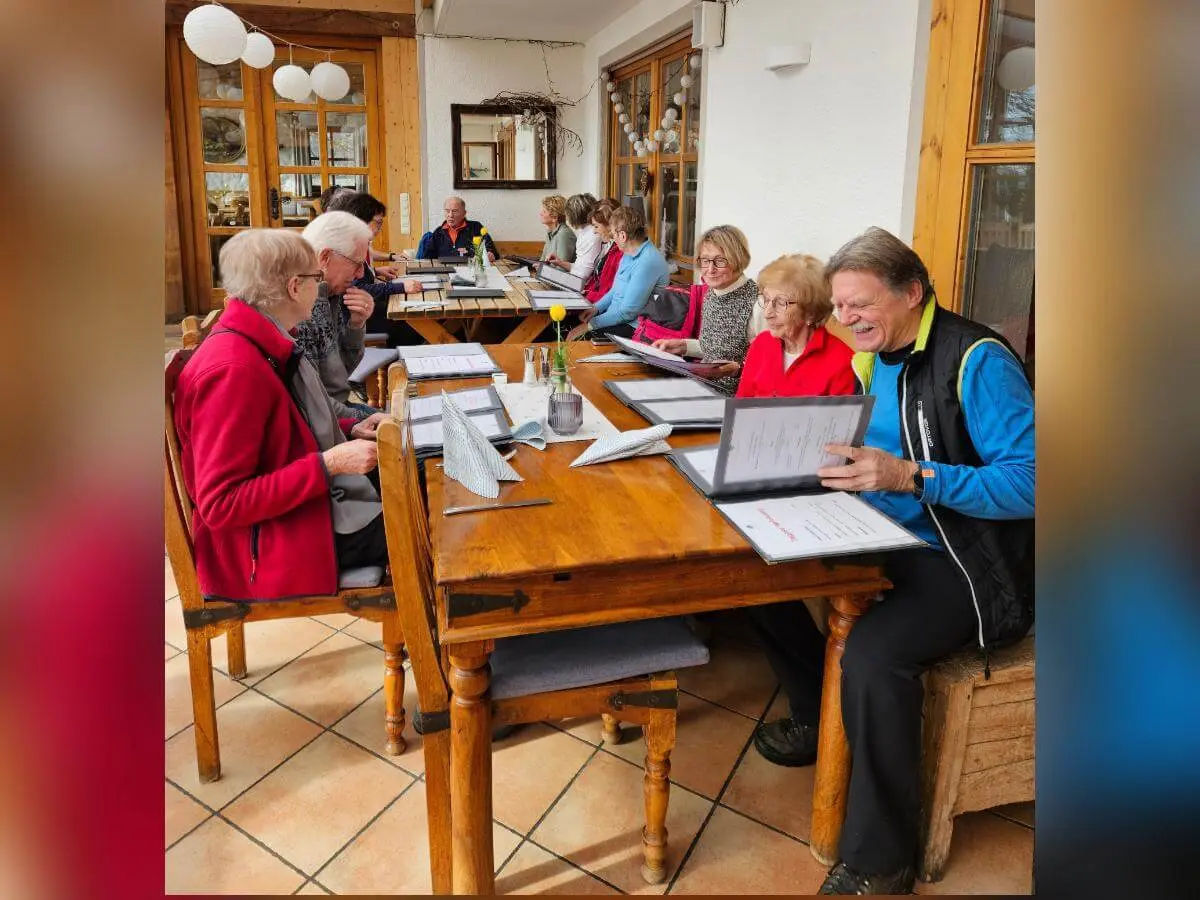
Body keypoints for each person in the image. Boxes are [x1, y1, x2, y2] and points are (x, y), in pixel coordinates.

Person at [747, 227, 1035, 896]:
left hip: (966, 560)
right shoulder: (870, 361)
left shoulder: (977, 360)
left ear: (912, 293)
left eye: (861, 304)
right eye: (840, 306)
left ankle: (882, 860)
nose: (847, 318)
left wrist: (913, 476)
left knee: (875, 655)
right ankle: (815, 717)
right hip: (881, 532)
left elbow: (1033, 481)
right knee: (759, 574)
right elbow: (867, 455)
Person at [173, 229, 391, 601]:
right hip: (269, 548)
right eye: (316, 278)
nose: (319, 288)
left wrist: (351, 426)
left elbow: (283, 427)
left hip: (299, 515)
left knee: (419, 478)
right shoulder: (233, 371)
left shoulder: (257, 337)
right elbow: (222, 504)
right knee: (425, 521)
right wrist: (329, 464)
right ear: (294, 287)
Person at [651, 225, 763, 394]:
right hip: (703, 387)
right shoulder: (712, 293)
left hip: (732, 397)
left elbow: (769, 367)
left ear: (738, 259)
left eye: (720, 261)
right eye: (705, 260)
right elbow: (715, 347)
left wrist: (738, 370)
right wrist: (682, 346)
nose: (710, 270)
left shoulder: (758, 303)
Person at [733, 253, 856, 398]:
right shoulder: (762, 344)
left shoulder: (842, 362)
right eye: (766, 300)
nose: (767, 313)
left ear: (811, 313)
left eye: (781, 303)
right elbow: (741, 404)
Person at [295, 212, 374, 412]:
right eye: (357, 263)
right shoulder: (299, 310)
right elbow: (311, 405)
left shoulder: (329, 294)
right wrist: (360, 419)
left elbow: (341, 373)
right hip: (328, 420)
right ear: (325, 257)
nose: (361, 274)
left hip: (337, 411)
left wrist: (356, 325)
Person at [323, 191, 423, 339]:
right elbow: (357, 288)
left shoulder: (353, 242)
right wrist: (401, 287)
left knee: (413, 315)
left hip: (359, 310)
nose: (380, 229)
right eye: (378, 223)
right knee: (413, 323)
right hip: (353, 318)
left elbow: (358, 279)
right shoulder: (346, 246)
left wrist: (376, 272)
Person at [569, 204, 668, 338]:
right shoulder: (629, 252)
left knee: (574, 337)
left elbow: (628, 312)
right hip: (615, 319)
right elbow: (615, 290)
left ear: (622, 235)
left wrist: (591, 324)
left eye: (613, 233)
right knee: (567, 324)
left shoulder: (647, 261)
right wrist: (595, 308)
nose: (613, 237)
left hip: (633, 328)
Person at [421, 195, 497, 260]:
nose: (450, 215)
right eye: (447, 211)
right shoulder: (438, 232)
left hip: (470, 270)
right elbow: (427, 258)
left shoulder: (476, 227)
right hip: (446, 271)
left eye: (454, 211)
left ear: (464, 213)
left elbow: (491, 250)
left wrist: (490, 254)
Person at [546, 194, 600, 281]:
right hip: (576, 280)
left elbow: (582, 275)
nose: (567, 218)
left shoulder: (592, 234)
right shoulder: (584, 232)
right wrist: (560, 263)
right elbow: (579, 268)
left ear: (574, 215)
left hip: (580, 284)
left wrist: (557, 277)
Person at [584, 198, 622, 303]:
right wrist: (585, 292)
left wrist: (587, 295)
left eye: (596, 226)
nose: (594, 231)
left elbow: (608, 292)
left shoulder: (620, 252)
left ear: (610, 226)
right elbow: (597, 281)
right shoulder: (608, 245)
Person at [538, 194, 576, 263]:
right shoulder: (550, 233)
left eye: (544, 211)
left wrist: (541, 267)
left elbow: (562, 266)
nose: (540, 213)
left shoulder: (564, 234)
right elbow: (542, 261)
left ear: (555, 217)